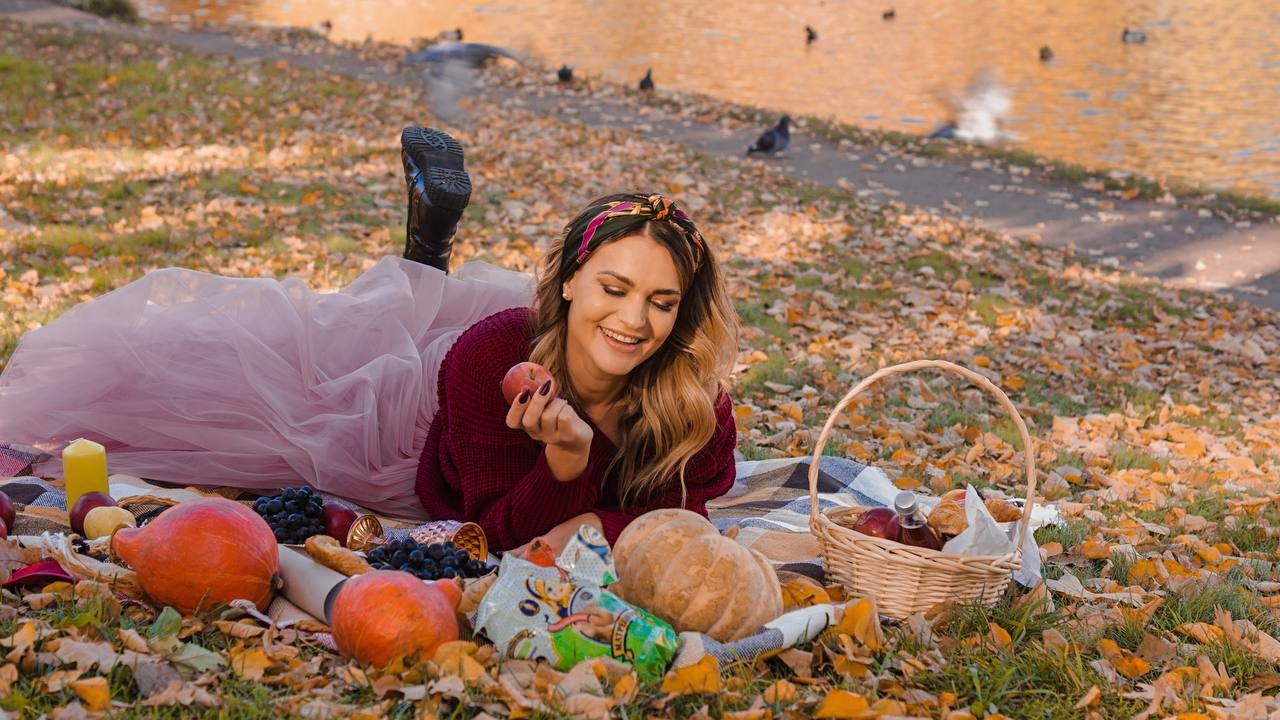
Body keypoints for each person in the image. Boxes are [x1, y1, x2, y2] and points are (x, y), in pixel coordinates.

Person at [0, 128, 739, 553]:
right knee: (259, 372)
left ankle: (427, 249)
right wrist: (570, 462)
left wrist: (589, 510)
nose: (635, 321)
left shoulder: (691, 401)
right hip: (405, 435)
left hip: (463, 365)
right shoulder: (496, 356)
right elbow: (493, 536)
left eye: (662, 302)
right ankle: (424, 252)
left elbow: (685, 523)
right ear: (571, 282)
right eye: (614, 289)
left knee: (394, 321)